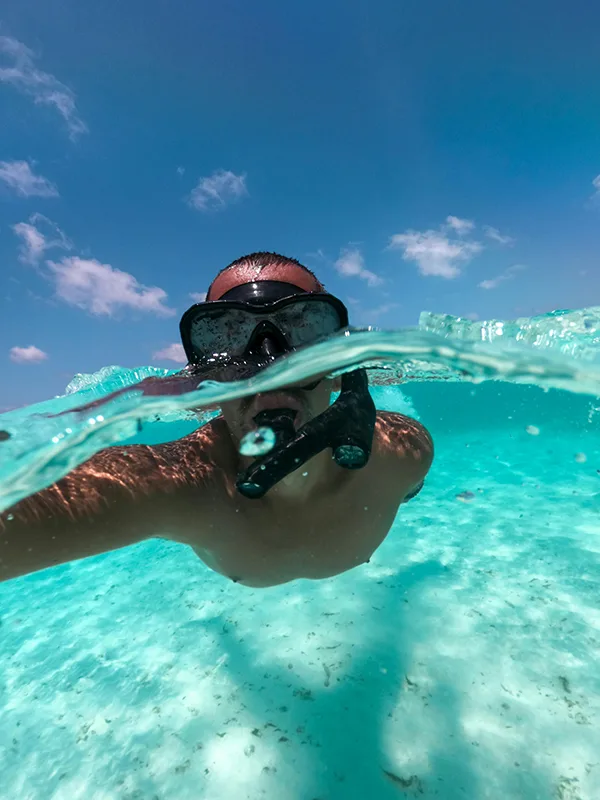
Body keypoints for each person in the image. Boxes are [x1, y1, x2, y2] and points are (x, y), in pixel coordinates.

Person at [0, 253, 433, 588]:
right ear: (206, 368)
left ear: (341, 356)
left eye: (304, 329)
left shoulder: (404, 452)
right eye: (226, 335)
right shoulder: (181, 483)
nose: (267, 361)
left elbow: (411, 484)